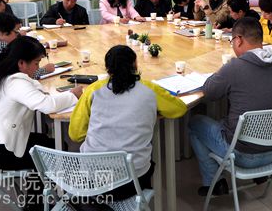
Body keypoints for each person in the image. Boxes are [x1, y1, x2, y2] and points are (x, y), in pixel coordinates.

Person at [189, 17, 272, 196]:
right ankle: (260, 175)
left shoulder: (234, 67)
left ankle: (214, 182)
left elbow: (209, 92)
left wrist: (221, 71)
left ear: (239, 40)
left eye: (232, 41)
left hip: (243, 156)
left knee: (195, 123)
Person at [0, 36, 81, 210]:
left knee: (44, 142)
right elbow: (47, 105)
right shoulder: (15, 82)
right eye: (36, 63)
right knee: (51, 151)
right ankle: (36, 206)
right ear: (21, 63)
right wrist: (73, 95)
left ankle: (38, 201)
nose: (38, 68)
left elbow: (36, 94)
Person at [68, 45, 187, 209]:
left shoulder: (93, 90)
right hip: (132, 182)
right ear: (135, 65)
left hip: (93, 182)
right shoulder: (149, 89)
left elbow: (75, 134)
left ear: (107, 68)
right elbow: (179, 109)